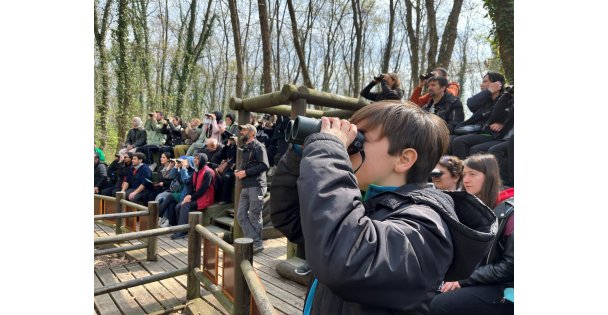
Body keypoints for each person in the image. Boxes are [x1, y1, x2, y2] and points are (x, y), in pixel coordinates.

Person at [270, 100, 497, 314]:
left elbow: (345, 261)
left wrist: (329, 151)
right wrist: (302, 157)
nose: (347, 145)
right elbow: (289, 218)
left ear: (403, 159)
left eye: (359, 139)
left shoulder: (426, 225)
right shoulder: (371, 205)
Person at [430, 153, 514, 315]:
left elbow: (509, 267)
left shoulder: (511, 211)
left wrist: (462, 280)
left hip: (504, 287)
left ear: (489, 176)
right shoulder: (475, 206)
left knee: (439, 304)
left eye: (472, 174)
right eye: (464, 175)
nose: (466, 180)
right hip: (480, 278)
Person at [451, 72, 505, 159]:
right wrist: (489, 91)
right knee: (450, 139)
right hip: (479, 131)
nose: (481, 85)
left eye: (485, 81)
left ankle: (463, 171)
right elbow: (471, 103)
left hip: (492, 135)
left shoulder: (506, 99)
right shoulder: (485, 100)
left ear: (496, 84)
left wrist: (503, 123)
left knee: (459, 141)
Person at [235, 124, 269, 253]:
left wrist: (246, 173)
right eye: (241, 130)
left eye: (244, 130)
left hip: (257, 185)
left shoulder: (259, 146)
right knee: (241, 216)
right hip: (246, 185)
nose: (241, 132)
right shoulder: (245, 148)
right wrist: (240, 172)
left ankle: (256, 245)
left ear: (252, 133)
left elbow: (264, 165)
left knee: (255, 216)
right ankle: (255, 241)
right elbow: (249, 167)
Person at [170, 153, 216, 239]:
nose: (195, 160)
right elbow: (191, 186)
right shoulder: (196, 171)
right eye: (194, 158)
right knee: (178, 206)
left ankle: (182, 233)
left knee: (185, 206)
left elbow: (203, 190)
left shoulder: (209, 172)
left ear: (202, 160)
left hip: (205, 198)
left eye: (197, 158)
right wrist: (188, 195)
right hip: (196, 196)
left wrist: (190, 197)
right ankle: (180, 229)